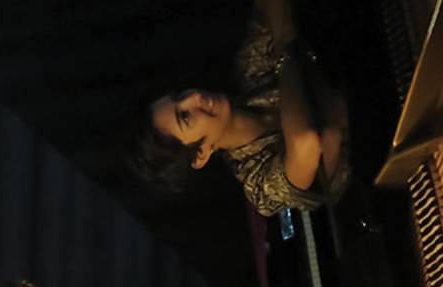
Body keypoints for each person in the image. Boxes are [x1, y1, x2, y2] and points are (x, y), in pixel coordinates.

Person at [131, 0, 349, 218]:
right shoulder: (258, 183)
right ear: (201, 154)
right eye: (185, 117)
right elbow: (306, 141)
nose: (195, 97)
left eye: (179, 95)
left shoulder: (248, 73)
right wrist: (286, 54)